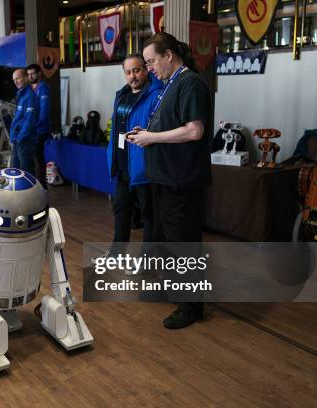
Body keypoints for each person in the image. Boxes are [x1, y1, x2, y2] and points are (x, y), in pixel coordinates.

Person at [129, 32, 212, 329]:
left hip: (181, 180)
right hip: (163, 178)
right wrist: (147, 132)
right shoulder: (169, 84)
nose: (149, 67)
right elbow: (170, 125)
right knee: (167, 241)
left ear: (169, 55)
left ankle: (191, 306)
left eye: (151, 61)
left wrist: (152, 137)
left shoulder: (189, 83)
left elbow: (194, 131)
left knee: (184, 245)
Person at [104, 54, 162, 264]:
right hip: (121, 165)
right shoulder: (122, 94)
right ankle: (117, 253)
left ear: (146, 69)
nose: (132, 76)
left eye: (136, 70)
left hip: (143, 166)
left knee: (149, 216)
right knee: (121, 210)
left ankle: (147, 258)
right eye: (128, 72)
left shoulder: (156, 94)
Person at [9, 68, 39, 175]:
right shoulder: (21, 95)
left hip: (25, 141)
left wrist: (20, 137)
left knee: (26, 173)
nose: (16, 82)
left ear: (26, 78)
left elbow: (29, 120)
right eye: (14, 80)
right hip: (18, 140)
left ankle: (32, 192)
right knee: (15, 171)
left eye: (18, 78)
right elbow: (19, 119)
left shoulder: (29, 97)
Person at [27, 63, 51, 189]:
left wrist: (36, 125)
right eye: (28, 74)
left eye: (33, 74)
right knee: (31, 157)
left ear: (39, 74)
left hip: (41, 130)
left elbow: (44, 110)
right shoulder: (29, 89)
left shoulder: (43, 88)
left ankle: (42, 187)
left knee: (38, 158)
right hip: (31, 130)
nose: (30, 76)